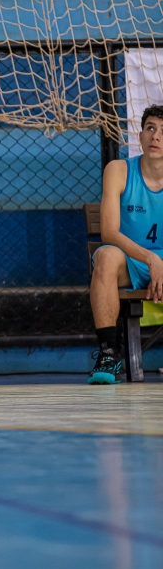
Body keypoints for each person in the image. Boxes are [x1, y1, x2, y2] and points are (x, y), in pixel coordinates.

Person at [88, 104, 163, 384]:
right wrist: (151, 259)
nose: (156, 136)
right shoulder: (119, 170)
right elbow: (109, 232)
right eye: (150, 128)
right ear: (140, 136)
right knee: (105, 256)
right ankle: (109, 354)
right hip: (131, 261)